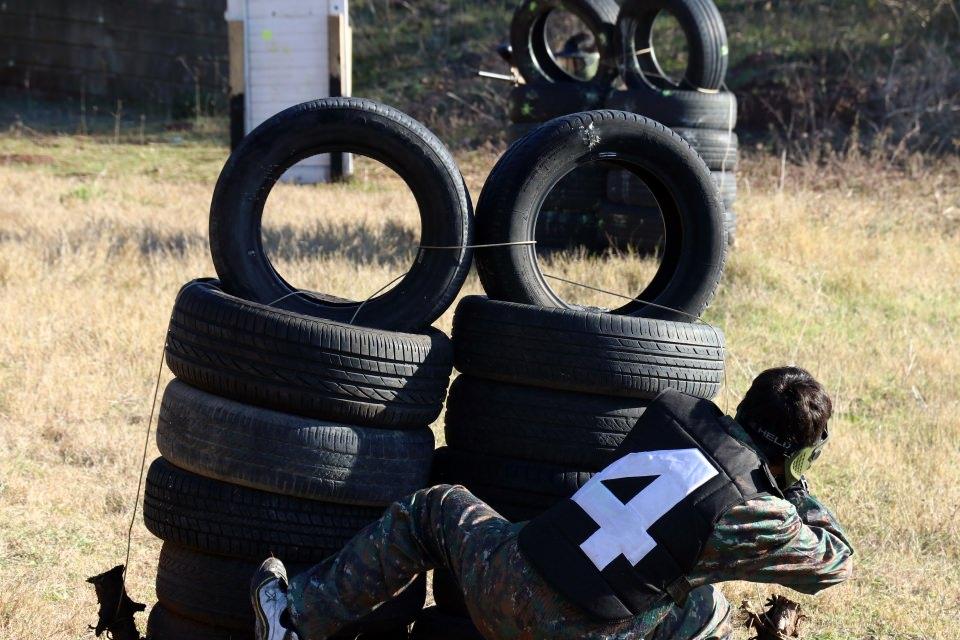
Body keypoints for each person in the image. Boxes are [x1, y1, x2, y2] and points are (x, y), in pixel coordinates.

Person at [251, 366, 854, 640]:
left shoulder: (673, 412)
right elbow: (835, 563)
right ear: (799, 454)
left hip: (502, 580)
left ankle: (297, 617)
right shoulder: (758, 514)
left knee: (432, 508)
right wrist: (797, 489)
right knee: (705, 614)